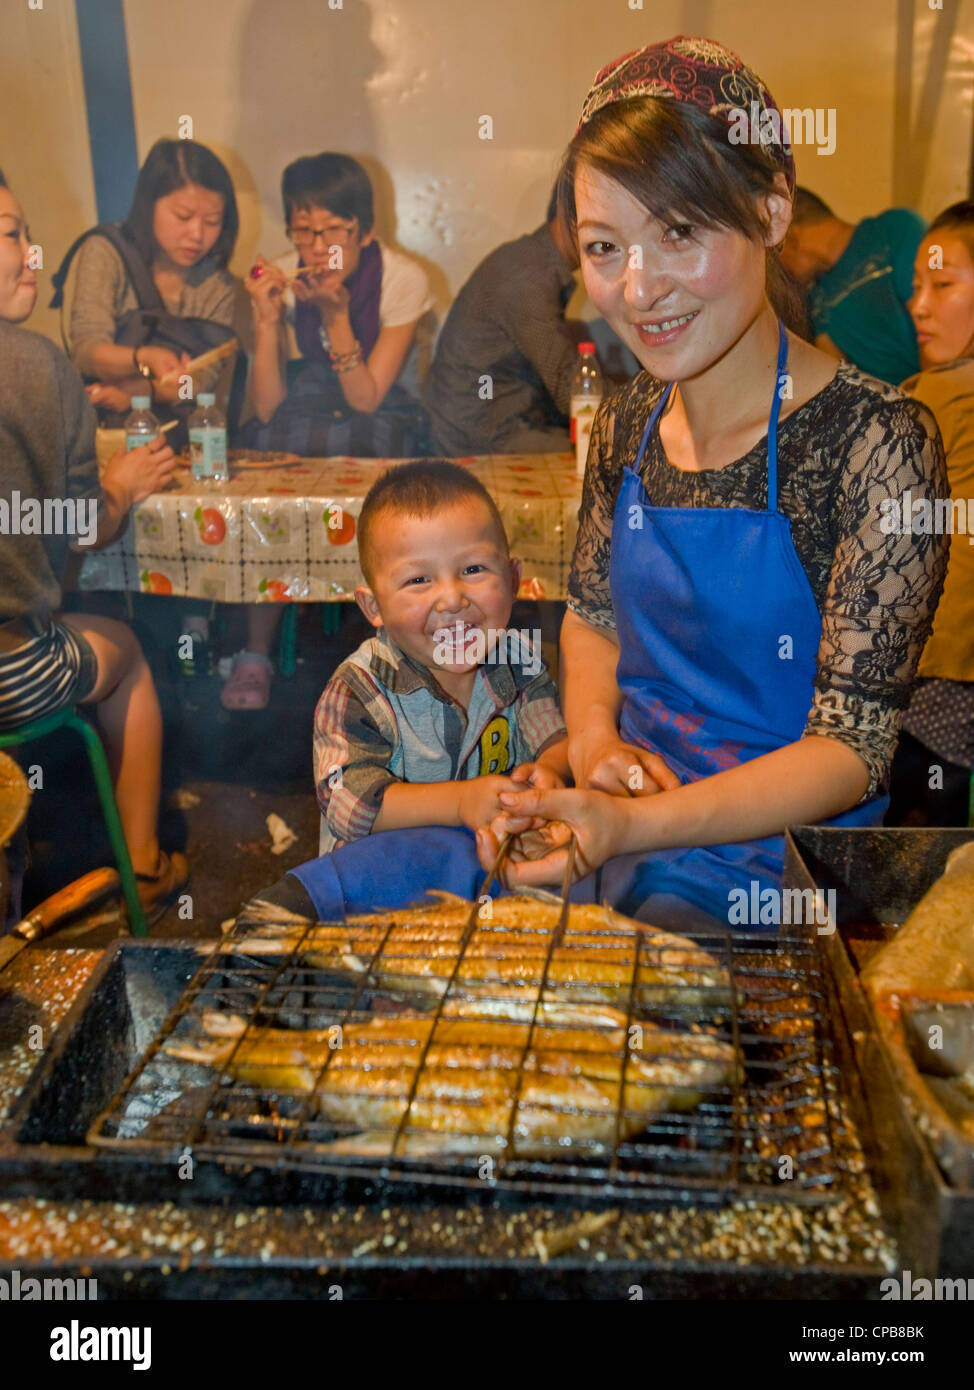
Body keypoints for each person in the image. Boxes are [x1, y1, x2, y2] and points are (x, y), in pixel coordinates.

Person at [238, 37, 947, 933]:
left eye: (679, 233)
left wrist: (633, 824)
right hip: (609, 812)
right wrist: (598, 746)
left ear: (771, 211)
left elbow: (853, 748)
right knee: (320, 903)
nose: (640, 289)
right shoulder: (626, 420)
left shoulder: (877, 441)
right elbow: (593, 620)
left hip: (772, 855)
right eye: (607, 248)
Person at [0, 170, 187, 921]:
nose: (32, 254)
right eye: (12, 234)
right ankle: (141, 864)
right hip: (11, 670)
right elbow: (80, 528)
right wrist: (122, 485)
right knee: (131, 653)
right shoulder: (37, 366)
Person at [226, 154, 436, 711]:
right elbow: (267, 407)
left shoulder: (403, 279)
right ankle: (254, 653)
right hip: (310, 405)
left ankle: (397, 651)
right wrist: (268, 321)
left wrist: (337, 315)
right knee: (267, 454)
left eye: (332, 231)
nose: (316, 248)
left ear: (364, 230)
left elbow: (367, 398)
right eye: (303, 230)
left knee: (373, 458)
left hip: (383, 406)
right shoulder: (282, 276)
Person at [313, 460, 569, 853]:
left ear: (514, 581)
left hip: (490, 867)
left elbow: (554, 737)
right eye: (418, 580)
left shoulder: (520, 659)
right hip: (382, 882)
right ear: (373, 606)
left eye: (473, 568)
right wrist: (462, 803)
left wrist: (550, 771)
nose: (451, 599)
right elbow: (348, 804)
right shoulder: (358, 690)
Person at [889, 201, 974, 825]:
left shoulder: (944, 392)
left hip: (943, 660)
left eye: (942, 286)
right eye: (917, 287)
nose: (919, 306)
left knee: (913, 828)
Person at [57, 137, 241, 422]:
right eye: (183, 216)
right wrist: (143, 358)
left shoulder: (217, 284)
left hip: (177, 430)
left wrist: (139, 392)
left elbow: (199, 382)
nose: (197, 234)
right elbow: (86, 351)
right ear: (149, 204)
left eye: (213, 221)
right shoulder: (107, 251)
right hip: (99, 419)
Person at [424, 190, 580, 454]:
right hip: (480, 434)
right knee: (603, 457)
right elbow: (570, 389)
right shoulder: (529, 277)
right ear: (569, 215)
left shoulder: (530, 260)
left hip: (492, 420)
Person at [779, 186, 926, 385]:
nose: (778, 270)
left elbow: (934, 319)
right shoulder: (815, 297)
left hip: (940, 390)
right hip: (889, 408)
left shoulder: (895, 231)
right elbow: (835, 377)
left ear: (791, 239)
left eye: (775, 254)